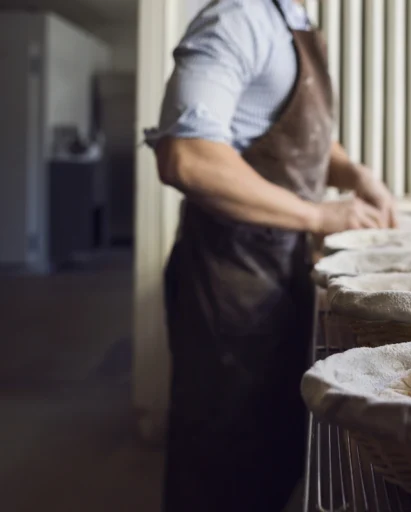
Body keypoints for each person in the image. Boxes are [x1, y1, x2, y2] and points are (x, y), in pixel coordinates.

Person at [144, 0, 397, 510]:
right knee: (221, 457)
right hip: (227, 277)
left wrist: (355, 174)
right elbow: (186, 156)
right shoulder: (238, 18)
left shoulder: (296, 23)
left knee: (273, 447)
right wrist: (319, 215)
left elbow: (299, 135)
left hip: (282, 267)